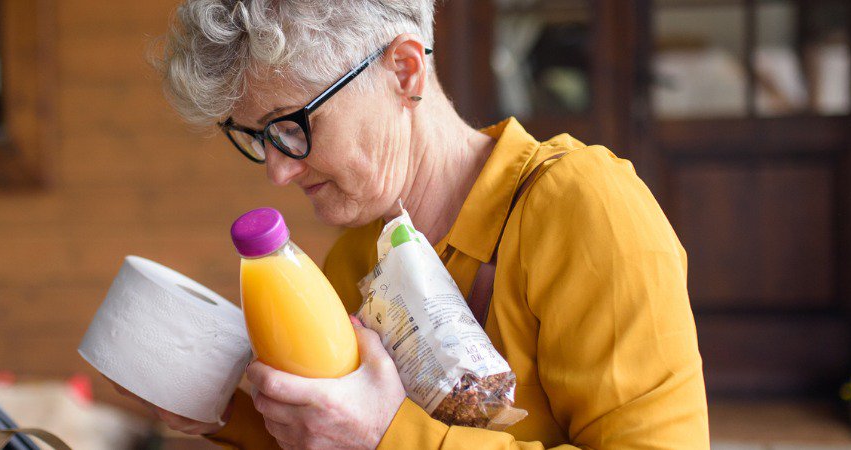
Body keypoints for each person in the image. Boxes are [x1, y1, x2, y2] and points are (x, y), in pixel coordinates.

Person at [133, 0, 710, 448]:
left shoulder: (586, 210)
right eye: (257, 138)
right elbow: (330, 441)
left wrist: (389, 436)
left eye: (291, 124)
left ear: (404, 70)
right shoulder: (354, 260)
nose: (278, 172)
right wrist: (218, 412)